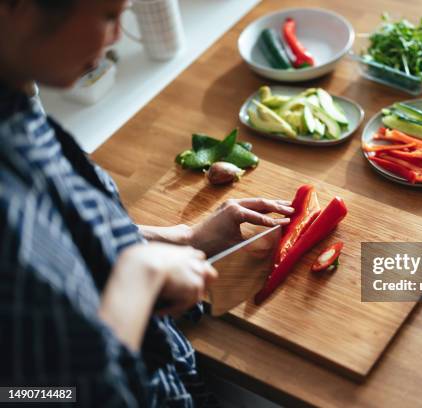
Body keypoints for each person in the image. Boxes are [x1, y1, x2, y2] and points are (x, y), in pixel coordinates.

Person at [0, 0, 293, 406]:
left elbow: (66, 233)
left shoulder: (15, 105)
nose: (119, 34)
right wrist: (137, 280)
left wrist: (183, 239)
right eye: (107, 15)